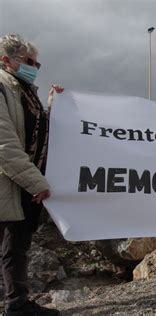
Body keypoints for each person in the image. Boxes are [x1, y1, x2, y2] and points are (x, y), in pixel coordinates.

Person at [0, 33, 62, 315]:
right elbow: (5, 144)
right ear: (6, 60)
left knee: (17, 247)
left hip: (25, 185)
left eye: (37, 63)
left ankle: (17, 305)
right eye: (29, 62)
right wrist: (36, 181)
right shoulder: (3, 89)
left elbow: (40, 133)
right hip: (10, 182)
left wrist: (56, 105)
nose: (35, 67)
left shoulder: (26, 91)